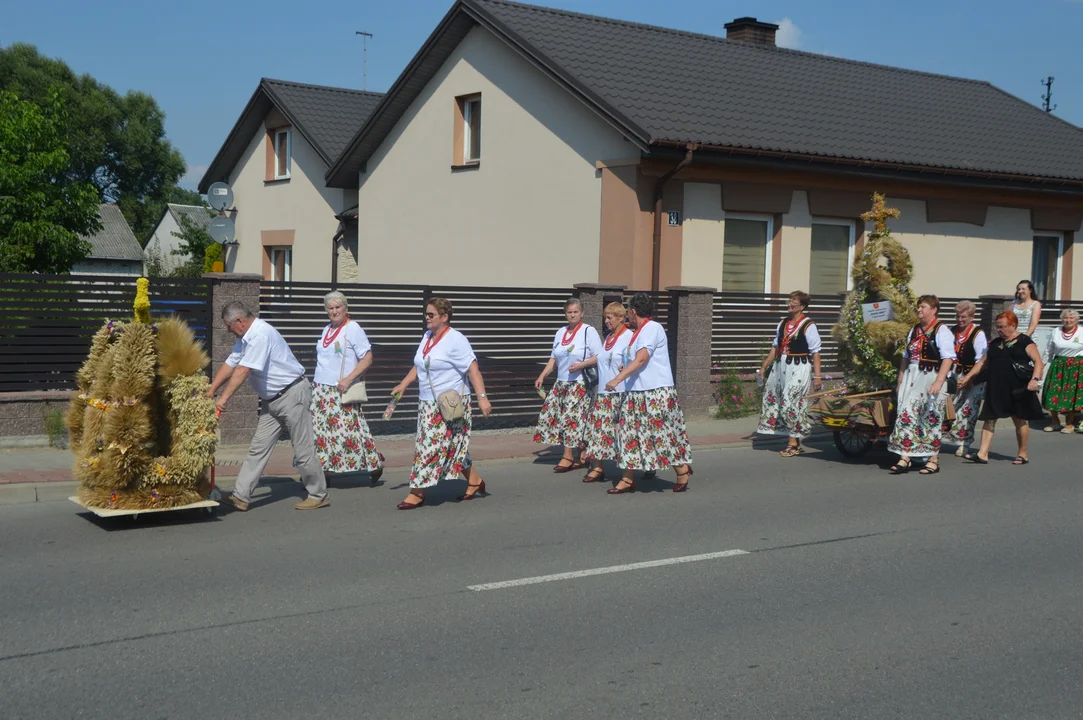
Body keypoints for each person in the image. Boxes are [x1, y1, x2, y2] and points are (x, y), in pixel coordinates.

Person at [208, 301, 329, 511]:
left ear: (240, 321)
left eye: (228, 325)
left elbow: (243, 370)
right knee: (258, 448)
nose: (228, 330)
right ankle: (241, 496)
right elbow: (231, 363)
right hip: (272, 401)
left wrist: (223, 398)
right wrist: (211, 390)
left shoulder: (260, 335)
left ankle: (318, 494)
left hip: (293, 395)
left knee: (303, 449)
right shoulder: (245, 338)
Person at [390, 298, 492, 509]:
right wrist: (403, 384)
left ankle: (417, 492)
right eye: (426, 314)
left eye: (431, 315)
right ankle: (474, 480)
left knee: (427, 447)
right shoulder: (427, 337)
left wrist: (483, 398)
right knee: (452, 445)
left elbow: (473, 369)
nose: (427, 318)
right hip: (427, 403)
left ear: (444, 317)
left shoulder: (456, 339)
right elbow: (419, 365)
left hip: (449, 403)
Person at [603, 293, 692, 494]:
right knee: (627, 435)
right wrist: (623, 369)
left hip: (654, 393)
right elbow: (636, 361)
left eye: (628, 313)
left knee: (661, 437)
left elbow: (642, 358)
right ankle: (627, 479)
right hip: (635, 392)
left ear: (633, 312)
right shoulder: (636, 333)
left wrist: (617, 379)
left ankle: (682, 469)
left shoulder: (652, 328)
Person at [310, 291, 384, 483]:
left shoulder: (353, 328)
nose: (334, 311)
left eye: (338, 307)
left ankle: (374, 462)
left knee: (350, 431)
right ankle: (322, 470)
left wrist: (349, 379)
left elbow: (367, 358)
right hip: (321, 390)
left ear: (345, 308)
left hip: (340, 390)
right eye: (330, 308)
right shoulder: (327, 329)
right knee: (320, 433)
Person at [888, 295, 956, 475]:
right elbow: (905, 356)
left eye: (923, 307)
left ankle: (933, 459)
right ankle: (905, 457)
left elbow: (948, 358)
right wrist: (900, 379)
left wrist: (938, 382)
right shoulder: (915, 329)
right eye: (918, 307)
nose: (919, 310)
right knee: (906, 415)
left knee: (930, 417)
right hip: (912, 375)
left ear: (933, 310)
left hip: (931, 376)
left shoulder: (942, 330)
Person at [533, 298, 602, 472]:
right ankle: (583, 453)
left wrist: (581, 365)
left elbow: (599, 356)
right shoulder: (560, 332)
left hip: (580, 382)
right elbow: (554, 358)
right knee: (563, 418)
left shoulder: (588, 331)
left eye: (575, 312)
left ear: (582, 313)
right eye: (569, 312)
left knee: (571, 419)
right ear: (565, 314)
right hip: (562, 382)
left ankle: (568, 456)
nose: (572, 315)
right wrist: (543, 375)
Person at [966, 311, 1045, 465]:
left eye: (1002, 327)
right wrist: (968, 376)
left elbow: (1038, 362)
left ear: (1013, 326)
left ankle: (1022, 454)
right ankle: (982, 453)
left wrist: (1035, 379)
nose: (999, 330)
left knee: (1019, 420)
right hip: (996, 386)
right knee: (989, 419)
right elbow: (983, 362)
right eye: (997, 327)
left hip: (1017, 387)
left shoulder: (1024, 341)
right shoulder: (995, 343)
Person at [755, 290, 824, 456]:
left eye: (794, 302)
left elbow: (816, 353)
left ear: (802, 306)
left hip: (799, 367)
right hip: (781, 367)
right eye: (789, 301)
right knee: (778, 400)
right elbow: (775, 347)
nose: (789, 304)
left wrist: (818, 376)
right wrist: (764, 366)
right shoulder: (782, 323)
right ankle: (794, 441)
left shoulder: (809, 325)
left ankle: (797, 437)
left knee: (789, 401)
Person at [582, 302, 633, 483]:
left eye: (610, 317)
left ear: (621, 318)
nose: (606, 321)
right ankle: (597, 468)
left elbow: (635, 362)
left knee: (622, 434)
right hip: (603, 393)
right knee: (599, 431)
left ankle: (628, 472)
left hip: (620, 393)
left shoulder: (629, 337)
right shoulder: (609, 337)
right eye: (605, 317)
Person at [945, 300, 988, 457]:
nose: (960, 320)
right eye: (957, 316)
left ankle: (965, 443)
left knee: (969, 411)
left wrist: (969, 378)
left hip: (973, 376)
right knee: (952, 408)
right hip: (955, 374)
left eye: (963, 317)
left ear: (971, 317)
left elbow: (981, 360)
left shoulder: (978, 334)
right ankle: (948, 437)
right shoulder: (951, 331)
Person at [1041, 309, 1083, 433]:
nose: (1068, 320)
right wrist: (1041, 367)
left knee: (1070, 395)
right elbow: (1048, 350)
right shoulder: (1056, 331)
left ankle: (1069, 424)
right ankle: (1055, 422)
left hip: (1077, 366)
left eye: (1071, 318)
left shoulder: (1082, 331)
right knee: (1051, 392)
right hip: (1058, 364)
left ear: (1076, 320)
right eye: (1065, 318)